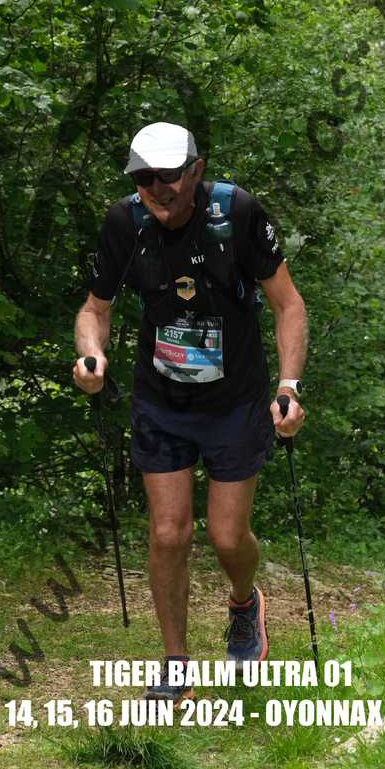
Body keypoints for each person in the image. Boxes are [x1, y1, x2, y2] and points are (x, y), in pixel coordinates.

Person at [73, 121, 307, 701]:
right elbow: (94, 309)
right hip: (162, 400)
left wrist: (289, 387)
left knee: (227, 538)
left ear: (196, 170)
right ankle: (176, 665)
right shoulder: (125, 223)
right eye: (144, 178)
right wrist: (91, 356)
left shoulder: (236, 214)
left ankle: (244, 604)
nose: (157, 188)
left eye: (169, 175)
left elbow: (288, 305)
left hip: (234, 401)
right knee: (168, 532)